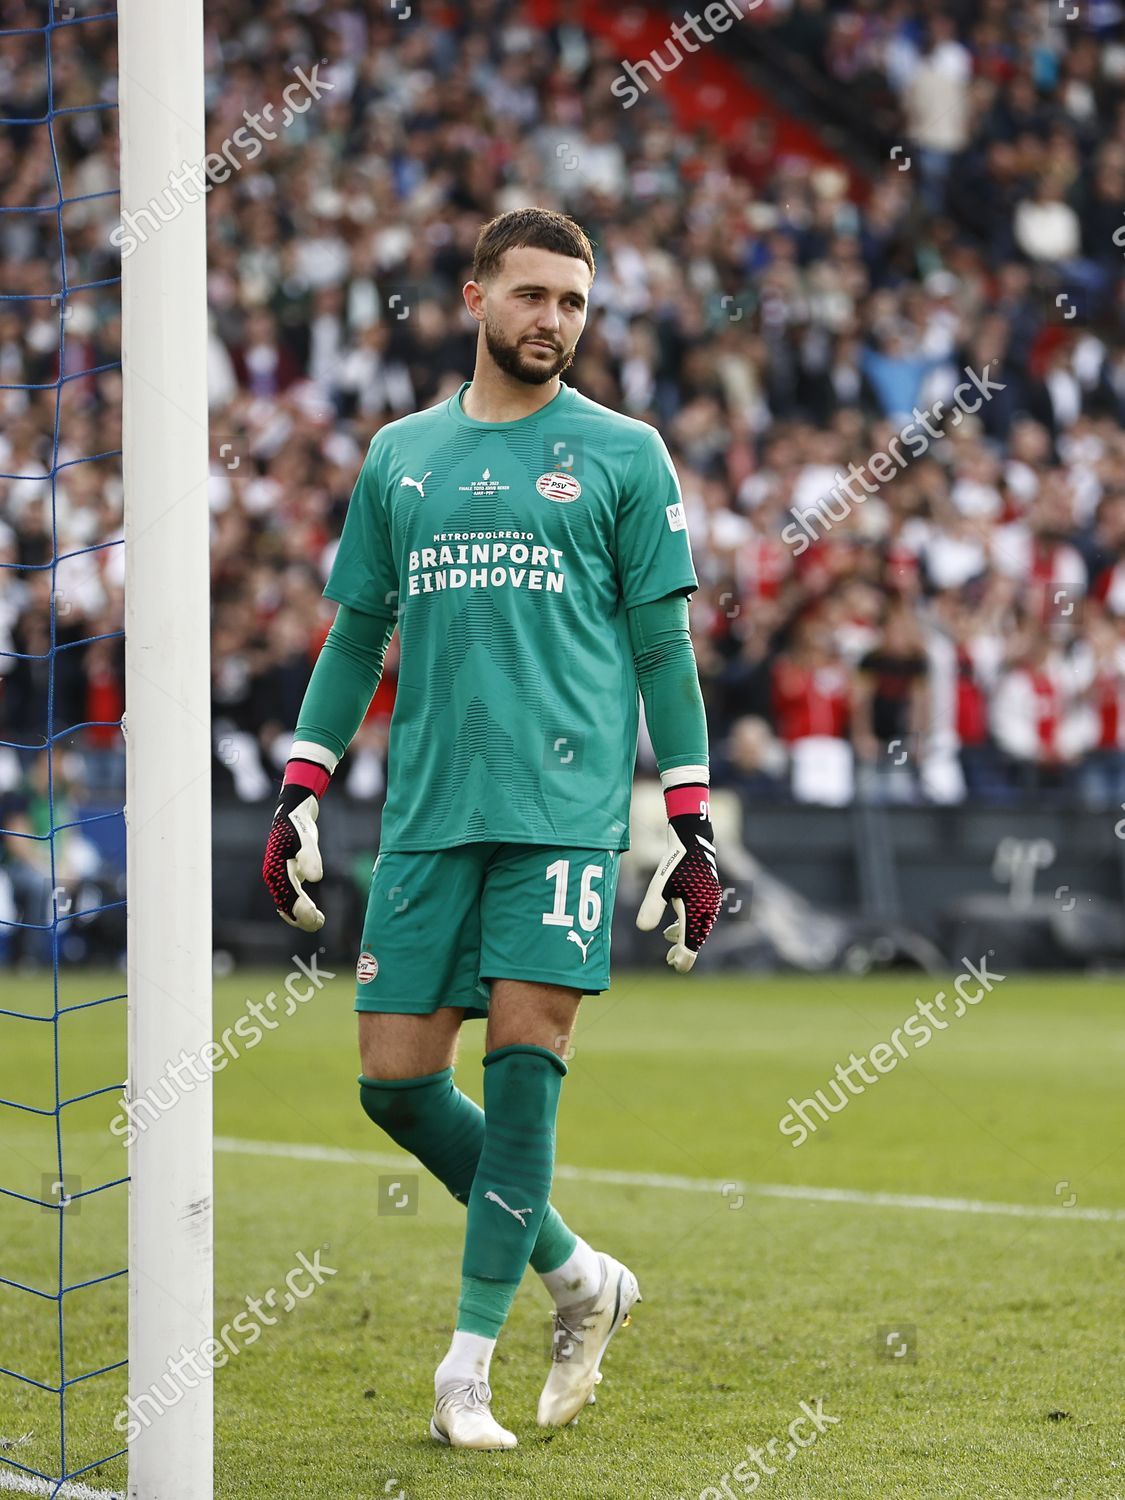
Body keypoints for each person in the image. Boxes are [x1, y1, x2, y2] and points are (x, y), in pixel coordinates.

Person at [260, 207, 723, 1451]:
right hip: (424, 816)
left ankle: (465, 1366)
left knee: (525, 1073)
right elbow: (358, 633)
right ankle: (581, 1277)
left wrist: (687, 815)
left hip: (561, 819)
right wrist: (303, 784)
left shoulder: (626, 454)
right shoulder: (400, 455)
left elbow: (662, 646)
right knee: (394, 1090)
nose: (553, 323)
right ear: (475, 299)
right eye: (531, 297)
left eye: (573, 303)